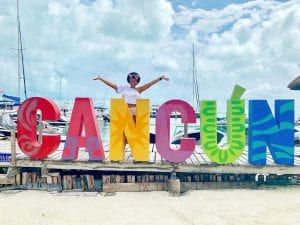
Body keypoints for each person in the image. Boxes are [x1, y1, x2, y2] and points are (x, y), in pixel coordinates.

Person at [93, 72, 169, 121]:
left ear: (138, 81)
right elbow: (112, 85)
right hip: (126, 111)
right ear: (129, 81)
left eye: (135, 80)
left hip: (136, 112)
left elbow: (150, 84)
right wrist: (101, 78)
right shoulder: (124, 88)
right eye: (131, 80)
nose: (133, 82)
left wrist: (160, 78)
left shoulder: (139, 89)